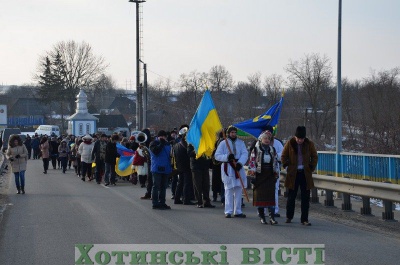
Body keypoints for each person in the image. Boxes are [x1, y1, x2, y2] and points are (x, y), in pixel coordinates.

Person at [281, 126, 318, 226]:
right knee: (291, 197)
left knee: (305, 198)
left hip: (305, 174)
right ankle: (289, 217)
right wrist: (287, 166)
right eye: (298, 138)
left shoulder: (309, 144)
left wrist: (311, 167)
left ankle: (304, 219)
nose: (299, 141)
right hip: (293, 174)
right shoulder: (290, 143)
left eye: (301, 139)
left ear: (304, 138)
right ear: (295, 137)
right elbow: (283, 156)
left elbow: (314, 156)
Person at [215, 126, 248, 218]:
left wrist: (240, 163)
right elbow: (217, 155)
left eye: (234, 132)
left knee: (238, 189)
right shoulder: (223, 143)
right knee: (228, 189)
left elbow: (245, 153)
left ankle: (237, 211)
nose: (233, 134)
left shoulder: (241, 143)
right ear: (228, 133)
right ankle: (228, 211)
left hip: (238, 167)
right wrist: (227, 157)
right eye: (232, 132)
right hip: (228, 167)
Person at [248, 131, 279, 225]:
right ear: (261, 139)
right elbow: (252, 163)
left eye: (268, 139)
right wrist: (252, 176)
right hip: (259, 176)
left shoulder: (272, 149)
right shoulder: (256, 150)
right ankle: (262, 217)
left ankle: (272, 217)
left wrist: (276, 175)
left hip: (269, 175)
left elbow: (276, 163)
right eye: (265, 138)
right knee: (260, 198)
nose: (267, 140)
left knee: (270, 197)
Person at [149, 130, 172, 210]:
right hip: (157, 168)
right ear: (158, 137)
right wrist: (161, 144)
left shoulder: (168, 144)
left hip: (166, 167)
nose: (163, 138)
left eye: (164, 136)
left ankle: (162, 202)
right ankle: (155, 203)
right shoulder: (153, 143)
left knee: (163, 187)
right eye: (161, 136)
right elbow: (156, 152)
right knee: (156, 186)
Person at [171, 127, 195, 205]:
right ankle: (186, 199)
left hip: (179, 166)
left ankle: (177, 198)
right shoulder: (186, 144)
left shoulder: (176, 144)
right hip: (186, 166)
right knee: (186, 183)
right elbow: (188, 154)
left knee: (180, 183)